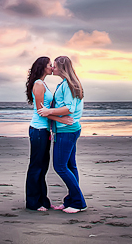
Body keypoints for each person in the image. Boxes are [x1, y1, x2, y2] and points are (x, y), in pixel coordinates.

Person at [38, 55, 86, 213]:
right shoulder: (66, 84)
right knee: (70, 166)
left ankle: (78, 202)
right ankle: (71, 200)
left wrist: (48, 111)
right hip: (67, 129)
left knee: (60, 166)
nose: (53, 68)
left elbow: (69, 108)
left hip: (67, 131)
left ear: (62, 68)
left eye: (55, 66)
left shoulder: (68, 85)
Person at [24, 56, 73, 211]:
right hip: (38, 130)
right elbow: (41, 112)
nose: (52, 68)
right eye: (50, 65)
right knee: (36, 167)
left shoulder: (43, 83)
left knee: (43, 167)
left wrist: (51, 127)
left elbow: (45, 110)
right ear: (43, 67)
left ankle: (43, 200)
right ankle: (33, 203)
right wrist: (61, 119)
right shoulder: (38, 84)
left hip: (44, 130)